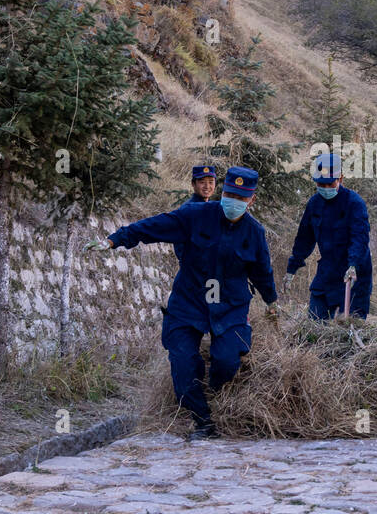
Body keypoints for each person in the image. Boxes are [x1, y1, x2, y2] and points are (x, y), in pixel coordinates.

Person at [101, 166, 276, 440]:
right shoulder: (196, 215)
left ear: (251, 200)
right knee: (182, 364)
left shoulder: (254, 232)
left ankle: (215, 394)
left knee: (226, 361)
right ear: (222, 192)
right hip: (189, 301)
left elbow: (262, 272)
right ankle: (203, 422)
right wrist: (116, 239)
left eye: (241, 198)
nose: (233, 202)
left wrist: (271, 301)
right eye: (229, 194)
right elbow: (155, 225)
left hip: (229, 305)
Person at [286, 152, 372, 319]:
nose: (325, 189)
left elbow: (359, 238)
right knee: (314, 322)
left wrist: (353, 264)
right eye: (321, 184)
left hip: (354, 272)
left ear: (341, 178)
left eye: (330, 184)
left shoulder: (354, 203)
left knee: (349, 327)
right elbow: (304, 238)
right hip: (327, 269)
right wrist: (292, 268)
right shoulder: (314, 203)